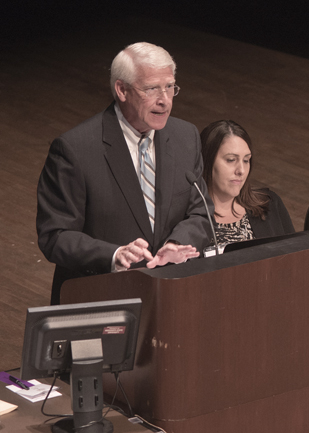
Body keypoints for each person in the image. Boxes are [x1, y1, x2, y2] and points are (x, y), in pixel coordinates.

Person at [37, 42, 214, 305]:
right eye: (152, 88)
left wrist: (179, 243)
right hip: (101, 298)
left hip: (170, 298)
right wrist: (114, 254)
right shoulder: (75, 149)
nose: (164, 100)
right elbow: (56, 235)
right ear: (122, 89)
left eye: (170, 87)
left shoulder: (185, 137)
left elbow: (202, 212)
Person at [200, 120, 294, 248]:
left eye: (246, 160)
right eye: (231, 160)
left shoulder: (269, 204)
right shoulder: (185, 220)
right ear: (207, 160)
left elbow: (295, 259)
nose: (241, 171)